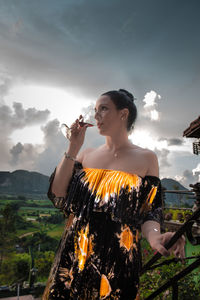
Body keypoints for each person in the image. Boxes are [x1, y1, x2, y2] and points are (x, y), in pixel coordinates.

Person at [43, 89, 185, 300]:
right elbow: (58, 191)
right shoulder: (86, 154)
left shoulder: (146, 158)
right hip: (75, 256)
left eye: (103, 108)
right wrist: (73, 146)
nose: (96, 115)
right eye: (95, 110)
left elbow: (150, 212)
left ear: (123, 114)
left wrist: (155, 237)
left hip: (117, 261)